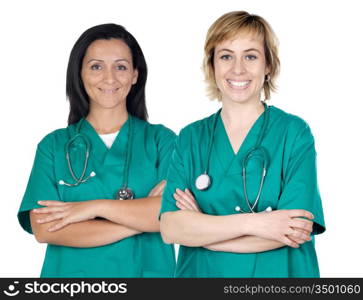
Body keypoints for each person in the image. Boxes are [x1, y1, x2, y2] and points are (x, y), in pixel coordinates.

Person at [160, 11, 325, 277]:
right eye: (226, 56)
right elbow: (170, 229)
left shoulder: (294, 133)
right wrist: (259, 223)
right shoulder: (190, 138)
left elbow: (297, 228)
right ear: (212, 65)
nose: (238, 68)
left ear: (268, 65)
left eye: (250, 56)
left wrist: (202, 229)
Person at [18, 23, 176, 277]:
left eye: (121, 66)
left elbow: (175, 215)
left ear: (135, 75)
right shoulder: (54, 146)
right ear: (79, 73)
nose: (110, 78)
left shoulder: (162, 141)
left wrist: (93, 208)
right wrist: (144, 220)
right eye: (96, 66)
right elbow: (44, 229)